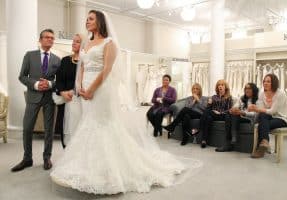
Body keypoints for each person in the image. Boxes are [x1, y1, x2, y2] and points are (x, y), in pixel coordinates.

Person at [50, 10, 199, 195]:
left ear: (100, 22)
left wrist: (91, 90)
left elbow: (106, 70)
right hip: (85, 90)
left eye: (90, 19)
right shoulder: (87, 43)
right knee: (88, 124)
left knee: (102, 125)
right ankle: (88, 166)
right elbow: (82, 67)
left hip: (101, 90)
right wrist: (80, 86)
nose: (86, 21)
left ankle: (110, 171)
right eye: (86, 18)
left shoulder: (109, 43)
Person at [11, 29, 61, 172]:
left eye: (52, 38)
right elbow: (22, 76)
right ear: (40, 40)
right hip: (33, 97)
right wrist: (36, 84)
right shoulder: (29, 55)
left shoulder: (57, 60)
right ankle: (27, 159)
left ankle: (47, 157)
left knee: (49, 130)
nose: (50, 40)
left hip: (49, 98)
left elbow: (60, 81)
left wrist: (50, 84)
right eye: (46, 37)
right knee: (27, 128)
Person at [249, 74, 287, 158]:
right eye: (264, 81)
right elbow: (262, 109)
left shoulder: (280, 94)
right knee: (263, 116)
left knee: (262, 124)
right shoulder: (262, 93)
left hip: (283, 118)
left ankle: (262, 146)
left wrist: (256, 109)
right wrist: (254, 108)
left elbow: (273, 111)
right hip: (270, 116)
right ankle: (265, 143)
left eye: (268, 81)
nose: (265, 83)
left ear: (274, 83)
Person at [54, 34, 82, 148]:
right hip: (66, 101)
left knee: (81, 132)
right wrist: (62, 92)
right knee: (66, 133)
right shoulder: (65, 60)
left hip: (81, 101)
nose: (73, 43)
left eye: (77, 41)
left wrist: (75, 92)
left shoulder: (87, 62)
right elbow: (59, 80)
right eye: (73, 41)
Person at [215, 83, 259, 152]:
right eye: (246, 88)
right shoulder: (242, 98)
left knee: (234, 115)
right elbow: (235, 106)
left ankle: (232, 137)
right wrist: (233, 109)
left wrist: (242, 112)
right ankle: (230, 140)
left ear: (254, 90)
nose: (247, 90)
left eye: (249, 88)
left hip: (250, 119)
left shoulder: (258, 100)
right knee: (229, 114)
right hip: (239, 117)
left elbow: (256, 114)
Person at [201, 80, 233, 148]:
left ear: (225, 87)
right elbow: (208, 108)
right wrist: (209, 103)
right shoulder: (214, 97)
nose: (220, 86)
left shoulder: (229, 97)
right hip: (213, 115)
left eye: (222, 85)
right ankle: (204, 140)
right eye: (219, 85)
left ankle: (199, 127)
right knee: (208, 118)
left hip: (223, 116)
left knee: (207, 114)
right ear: (217, 87)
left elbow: (230, 110)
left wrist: (220, 112)